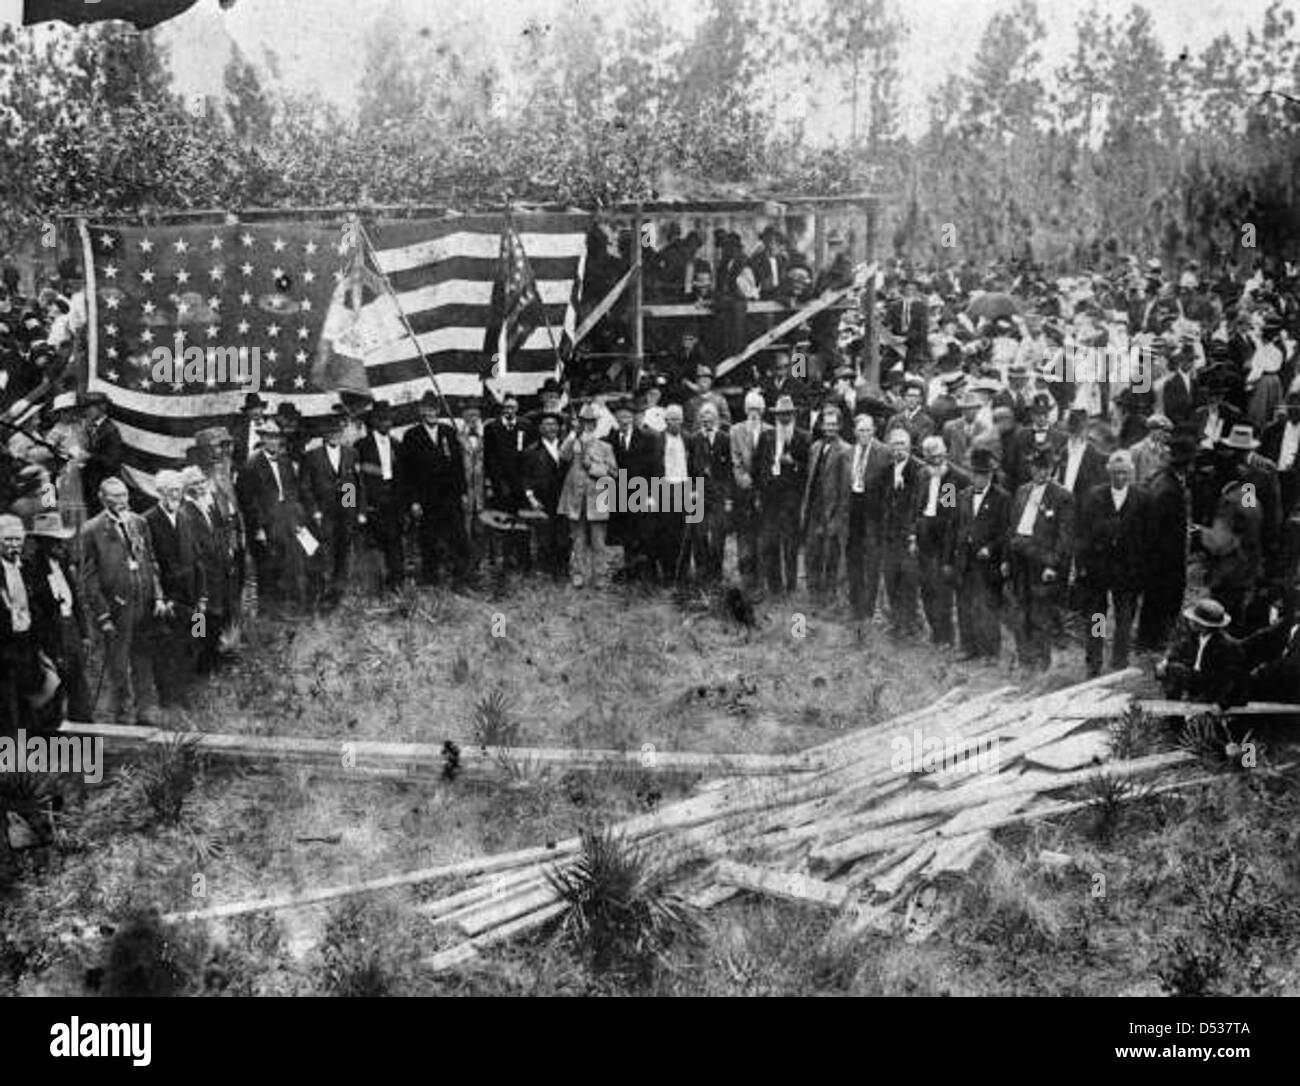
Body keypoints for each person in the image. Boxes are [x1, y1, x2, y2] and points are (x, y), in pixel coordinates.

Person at [79, 477, 168, 725]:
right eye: (115, 496)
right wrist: (103, 614)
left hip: (144, 602)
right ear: (102, 498)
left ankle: (146, 709)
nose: (122, 501)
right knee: (118, 662)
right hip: (116, 607)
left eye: (124, 495)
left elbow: (152, 561)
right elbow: (89, 578)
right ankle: (121, 711)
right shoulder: (92, 530)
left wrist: (158, 595)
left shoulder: (139, 522)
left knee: (143, 657)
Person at [1075, 449, 1149, 676]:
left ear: (1131, 473)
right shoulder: (1095, 496)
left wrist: (1143, 569)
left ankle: (1120, 660)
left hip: (1128, 569)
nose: (1120, 478)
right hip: (1099, 566)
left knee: (1124, 616)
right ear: (1108, 472)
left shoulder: (1142, 498)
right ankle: (1094, 659)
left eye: (1125, 473)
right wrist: (1082, 565)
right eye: (1116, 473)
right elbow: (1083, 533)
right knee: (1097, 616)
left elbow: (1148, 537)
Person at [1004, 446, 1074, 671]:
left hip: (1041, 560)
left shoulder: (1062, 496)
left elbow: (1064, 536)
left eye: (1046, 469)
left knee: (1040, 612)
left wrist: (1053, 565)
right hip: (1018, 557)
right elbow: (1012, 527)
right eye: (1036, 468)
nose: (1041, 473)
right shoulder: (1022, 491)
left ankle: (1042, 662)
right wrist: (1006, 559)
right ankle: (1025, 659)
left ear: (1052, 469)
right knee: (1019, 610)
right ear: (1030, 468)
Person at [25, 511, 91, 722]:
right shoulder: (32, 569)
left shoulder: (63, 563)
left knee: (79, 681)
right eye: (54, 542)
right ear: (41, 542)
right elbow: (37, 609)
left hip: (70, 626)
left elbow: (76, 599)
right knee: (54, 683)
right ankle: (50, 734)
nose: (60, 546)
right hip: (50, 633)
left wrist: (84, 633)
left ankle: (84, 731)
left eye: (61, 542)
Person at [144, 469, 203, 705]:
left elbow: (197, 558)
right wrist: (162, 597)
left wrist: (203, 594)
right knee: (168, 646)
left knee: (195, 638)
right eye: (170, 491)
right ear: (160, 492)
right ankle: (168, 696)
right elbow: (151, 563)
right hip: (168, 599)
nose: (175, 496)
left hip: (194, 597)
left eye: (178, 491)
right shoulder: (148, 520)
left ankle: (186, 689)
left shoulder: (186, 517)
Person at [235, 418, 307, 610]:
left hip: (285, 521)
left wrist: (296, 519)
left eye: (276, 438)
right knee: (266, 567)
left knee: (287, 562)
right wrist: (258, 528)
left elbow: (293, 492)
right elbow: (248, 502)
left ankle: (286, 606)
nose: (274, 442)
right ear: (263, 439)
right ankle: (267, 612)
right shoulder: (251, 465)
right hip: (264, 525)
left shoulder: (285, 461)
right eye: (269, 438)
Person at [399, 390, 469, 588]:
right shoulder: (412, 435)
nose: (430, 412)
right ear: (420, 410)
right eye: (426, 408)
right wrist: (413, 501)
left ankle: (460, 580)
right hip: (426, 499)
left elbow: (458, 465)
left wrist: (462, 492)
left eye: (433, 408)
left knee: (458, 539)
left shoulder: (448, 432)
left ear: (438, 410)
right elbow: (406, 473)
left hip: (450, 497)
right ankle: (431, 582)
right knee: (429, 541)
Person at [948, 447, 1010, 660]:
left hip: (987, 562)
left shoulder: (1002, 498)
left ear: (990, 476)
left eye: (983, 475)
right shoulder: (962, 496)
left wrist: (991, 548)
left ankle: (991, 651)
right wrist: (949, 559)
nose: (978, 479)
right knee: (964, 605)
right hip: (965, 560)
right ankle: (969, 647)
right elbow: (953, 527)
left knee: (987, 606)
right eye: (975, 474)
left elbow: (1005, 532)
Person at [1136, 434, 1197, 652]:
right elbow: (1156, 525)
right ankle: (1152, 640)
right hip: (1165, 554)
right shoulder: (1168, 489)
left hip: (1163, 552)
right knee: (1163, 597)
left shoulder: (1164, 479)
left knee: (1157, 597)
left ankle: (1149, 639)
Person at [299, 407, 361, 607]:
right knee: (325, 552)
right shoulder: (312, 456)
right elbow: (305, 487)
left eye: (337, 433)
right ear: (324, 435)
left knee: (344, 550)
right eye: (330, 433)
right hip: (323, 514)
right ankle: (323, 593)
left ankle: (339, 592)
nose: (334, 436)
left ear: (341, 434)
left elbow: (356, 483)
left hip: (345, 510)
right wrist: (314, 510)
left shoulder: (351, 453)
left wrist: (355, 511)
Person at [914, 435, 969, 647]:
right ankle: (935, 631)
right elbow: (916, 506)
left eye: (939, 457)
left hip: (944, 541)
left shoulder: (954, 478)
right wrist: (914, 532)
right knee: (926, 587)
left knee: (943, 590)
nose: (936, 462)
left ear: (945, 454)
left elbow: (950, 516)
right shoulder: (922, 475)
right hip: (923, 538)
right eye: (931, 458)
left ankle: (946, 635)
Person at [179, 466, 234, 675]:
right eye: (195, 484)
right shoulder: (185, 512)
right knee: (200, 619)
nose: (201, 487)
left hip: (218, 572)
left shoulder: (208, 506)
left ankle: (213, 658)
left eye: (202, 482)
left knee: (216, 617)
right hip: (201, 575)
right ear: (187, 488)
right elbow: (193, 549)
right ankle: (199, 664)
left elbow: (218, 534)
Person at [754, 395, 810, 595]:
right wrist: (760, 492)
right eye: (780, 415)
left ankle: (791, 585)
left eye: (787, 414)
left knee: (790, 544)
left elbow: (808, 470)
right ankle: (775, 586)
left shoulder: (803, 437)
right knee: (770, 542)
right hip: (770, 498)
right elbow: (758, 466)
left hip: (791, 499)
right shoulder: (767, 436)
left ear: (793, 415)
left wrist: (793, 463)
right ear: (776, 416)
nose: (783, 418)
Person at [558, 403, 617, 589]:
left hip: (598, 498)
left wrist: (593, 467)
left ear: (596, 424)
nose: (588, 426)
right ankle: (578, 574)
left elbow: (613, 472)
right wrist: (573, 434)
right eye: (584, 422)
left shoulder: (605, 446)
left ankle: (600, 575)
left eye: (591, 422)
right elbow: (563, 456)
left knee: (598, 541)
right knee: (578, 540)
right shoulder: (573, 443)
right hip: (576, 497)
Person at [1155, 599, 1248, 708]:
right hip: (1197, 679)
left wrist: (1222, 704)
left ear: (1202, 624)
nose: (1190, 622)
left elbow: (1234, 680)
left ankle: (1198, 702)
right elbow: (1177, 650)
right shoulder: (1194, 637)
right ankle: (1172, 709)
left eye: (1194, 620)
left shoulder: (1228, 646)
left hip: (1213, 686)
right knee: (1172, 668)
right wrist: (1165, 662)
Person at [800, 404, 851, 604]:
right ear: (821, 426)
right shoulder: (815, 447)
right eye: (826, 424)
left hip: (832, 509)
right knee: (813, 550)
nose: (830, 428)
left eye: (833, 424)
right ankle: (814, 592)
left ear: (839, 426)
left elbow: (845, 488)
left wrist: (838, 514)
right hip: (814, 507)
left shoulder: (846, 450)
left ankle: (830, 593)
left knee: (831, 553)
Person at [846, 412, 893, 622]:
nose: (864, 434)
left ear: (874, 430)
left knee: (872, 559)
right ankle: (855, 604)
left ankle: (869, 606)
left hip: (873, 512)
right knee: (853, 557)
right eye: (860, 430)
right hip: (853, 508)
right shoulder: (849, 452)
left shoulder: (884, 452)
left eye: (868, 430)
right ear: (855, 432)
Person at [878, 427, 923, 637]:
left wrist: (914, 533)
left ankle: (910, 622)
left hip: (909, 535)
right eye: (895, 444)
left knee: (909, 580)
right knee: (891, 578)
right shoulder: (886, 470)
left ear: (910, 447)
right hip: (889, 534)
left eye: (903, 444)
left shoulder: (919, 471)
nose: (898, 449)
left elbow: (920, 506)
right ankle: (896, 620)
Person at [355, 400, 404, 591]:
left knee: (395, 544)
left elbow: (403, 478)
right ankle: (374, 588)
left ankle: (397, 586)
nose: (386, 424)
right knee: (372, 547)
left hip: (393, 504)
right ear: (374, 421)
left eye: (389, 420)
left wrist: (403, 504)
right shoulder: (361, 446)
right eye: (382, 420)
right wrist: (352, 507)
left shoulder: (397, 445)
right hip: (370, 505)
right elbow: (350, 479)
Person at [522, 411, 570, 580]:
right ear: (540, 428)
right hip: (543, 499)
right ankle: (546, 570)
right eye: (547, 425)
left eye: (554, 425)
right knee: (545, 536)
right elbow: (526, 478)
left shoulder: (566, 447)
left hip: (563, 498)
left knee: (564, 535)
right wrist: (531, 498)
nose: (551, 428)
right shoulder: (531, 451)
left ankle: (563, 570)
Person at [729, 391, 769, 591]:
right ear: (745, 410)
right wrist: (743, 479)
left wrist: (761, 485)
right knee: (744, 537)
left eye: (758, 410)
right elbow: (735, 460)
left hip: (763, 492)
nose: (754, 413)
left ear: (762, 411)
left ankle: (761, 582)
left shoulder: (770, 431)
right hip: (743, 492)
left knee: (761, 537)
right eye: (751, 409)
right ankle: (746, 581)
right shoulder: (735, 431)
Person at [689, 401, 732, 583]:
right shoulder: (694, 439)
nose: (706, 422)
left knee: (718, 535)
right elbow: (690, 468)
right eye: (703, 419)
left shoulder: (725, 439)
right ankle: (701, 573)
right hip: (698, 491)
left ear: (716, 419)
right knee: (698, 534)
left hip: (719, 492)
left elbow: (730, 470)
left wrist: (729, 497)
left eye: (710, 418)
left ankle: (716, 575)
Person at [80, 391, 122, 516]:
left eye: (89, 407)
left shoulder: (110, 430)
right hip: (91, 484)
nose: (86, 411)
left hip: (104, 485)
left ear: (101, 408)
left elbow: (113, 460)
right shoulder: (91, 428)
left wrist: (90, 457)